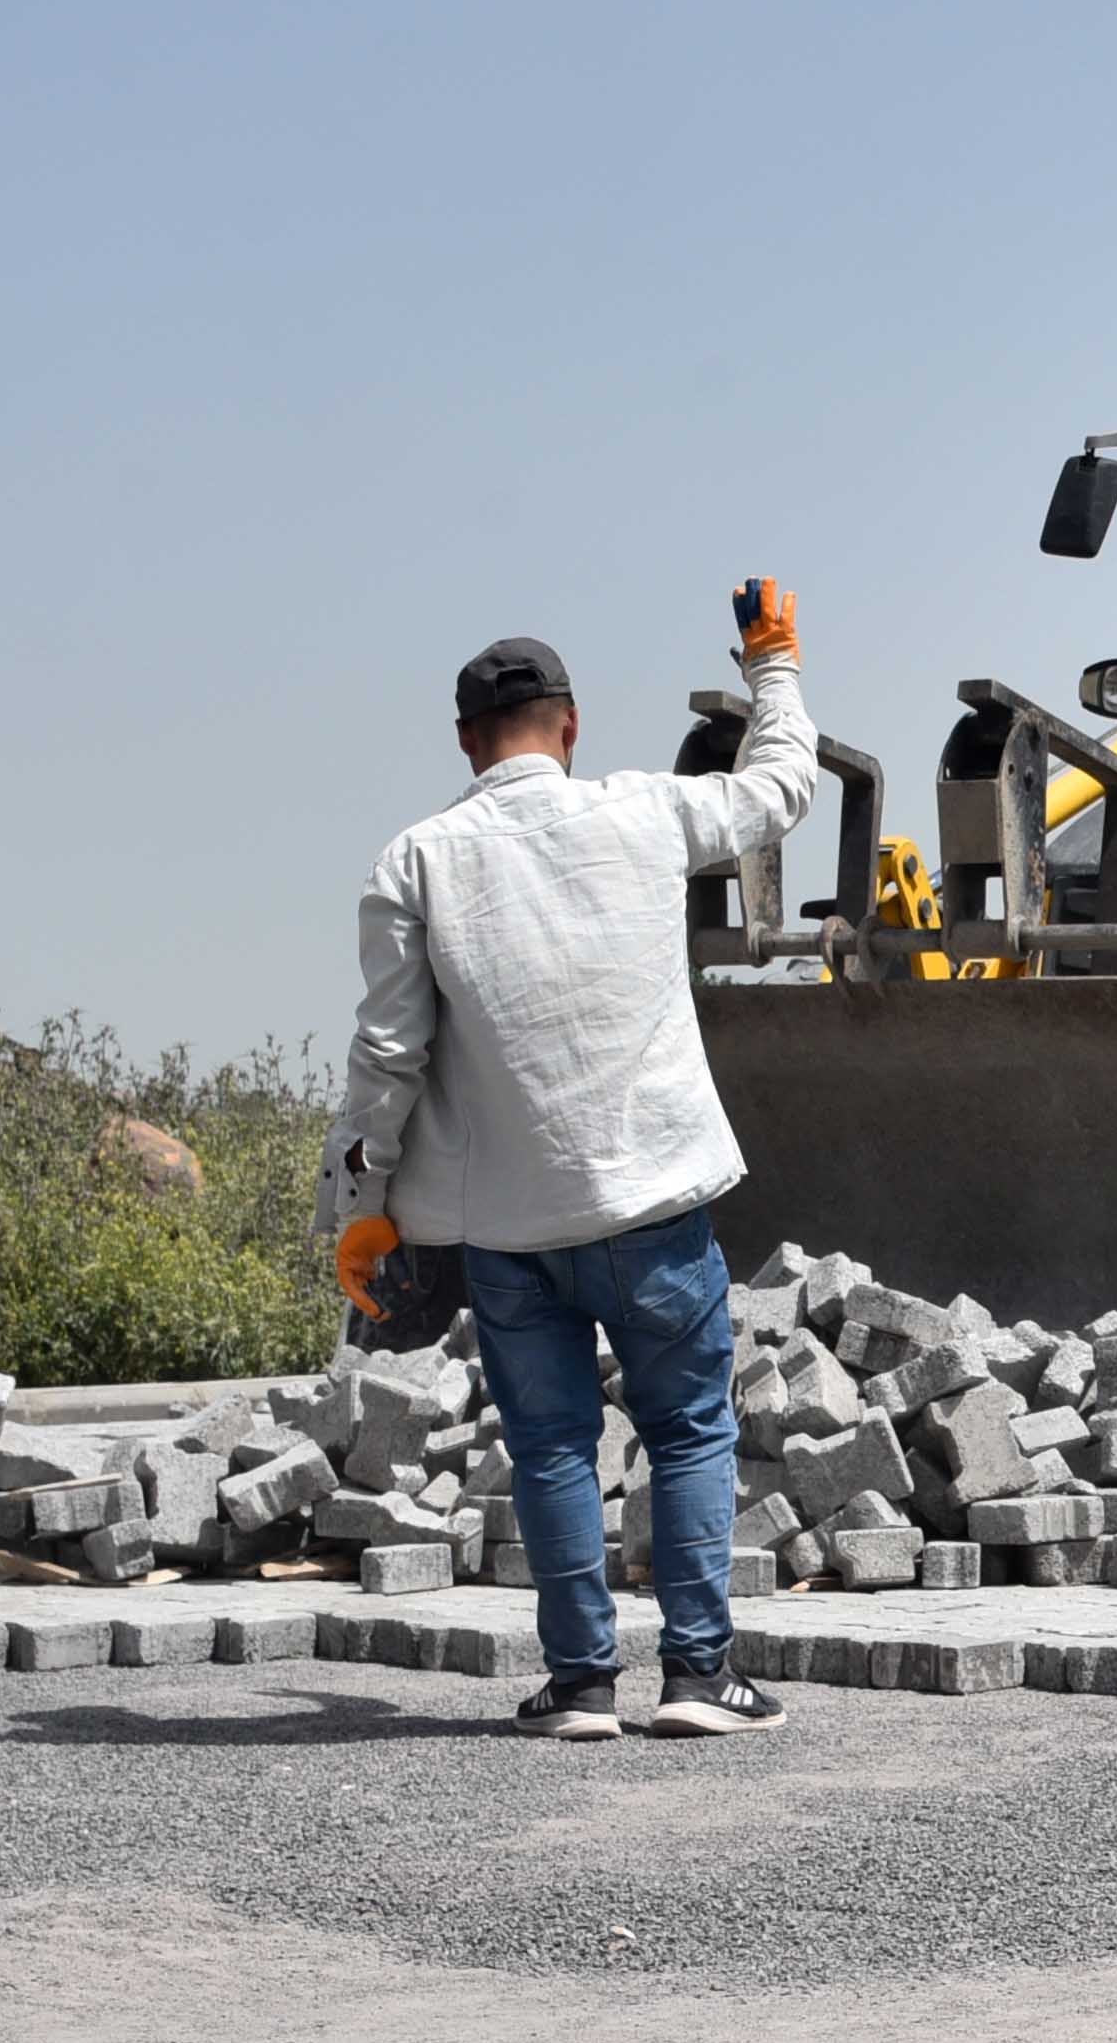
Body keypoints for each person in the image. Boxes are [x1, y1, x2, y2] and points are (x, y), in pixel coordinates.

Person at [335, 590, 816, 1741]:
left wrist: (360, 1208)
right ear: (571, 725)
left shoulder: (416, 860)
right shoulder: (642, 813)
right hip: (651, 1198)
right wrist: (774, 664)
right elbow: (780, 788)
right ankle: (699, 1676)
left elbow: (386, 1055)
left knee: (550, 1445)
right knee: (690, 1426)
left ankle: (581, 1686)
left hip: (508, 1225)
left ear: (463, 741)